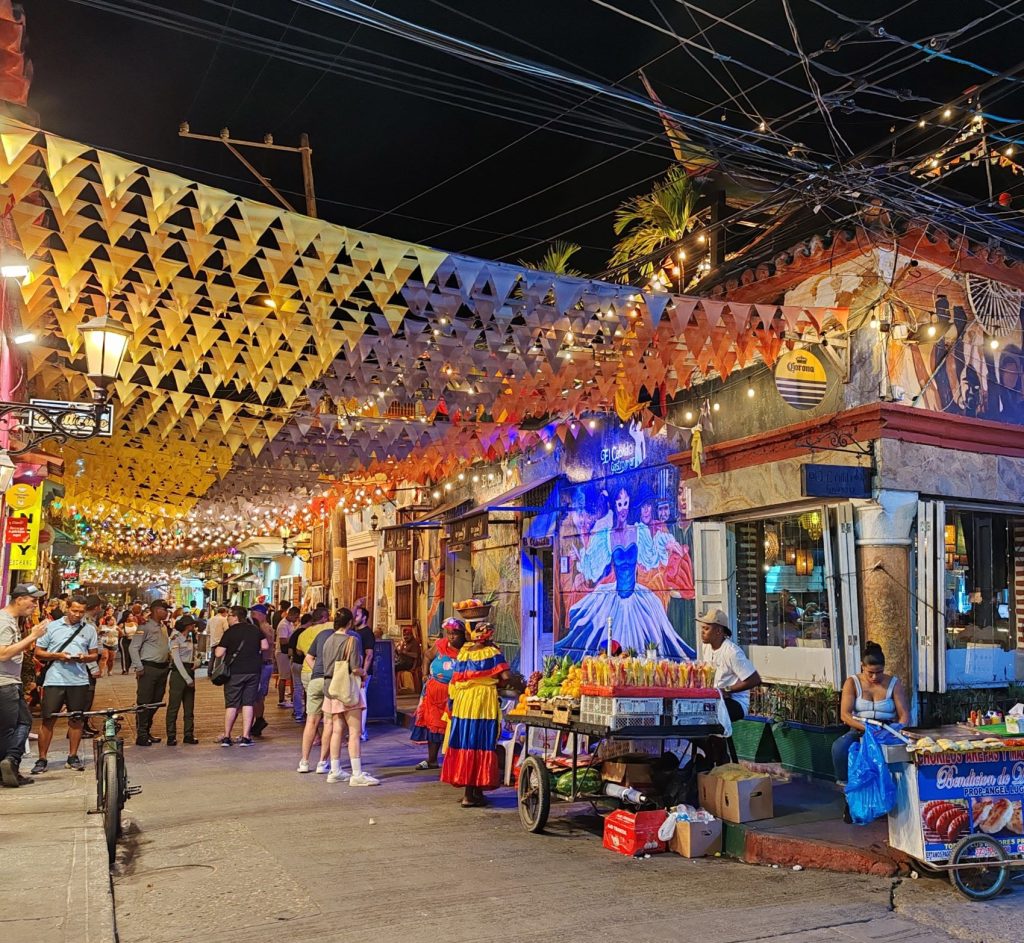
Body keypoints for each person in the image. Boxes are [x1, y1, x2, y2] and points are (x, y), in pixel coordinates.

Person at [556, 484, 695, 660]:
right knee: (609, 645)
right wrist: (579, 559)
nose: (623, 508)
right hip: (615, 600)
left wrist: (665, 544)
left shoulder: (639, 531)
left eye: (626, 503)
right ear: (615, 506)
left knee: (652, 643)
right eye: (620, 504)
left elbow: (651, 557)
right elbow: (593, 567)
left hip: (637, 598)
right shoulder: (607, 535)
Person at [441, 621, 521, 807]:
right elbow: (507, 677)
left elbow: (456, 677)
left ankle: (474, 792)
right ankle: (470, 795)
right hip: (482, 702)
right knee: (480, 743)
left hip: (462, 702)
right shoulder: (492, 652)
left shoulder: (465, 652)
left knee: (465, 743)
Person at [834, 641, 910, 822]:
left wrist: (895, 730)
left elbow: (904, 716)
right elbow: (845, 715)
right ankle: (849, 794)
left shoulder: (894, 683)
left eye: (879, 672)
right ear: (862, 666)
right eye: (870, 673)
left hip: (887, 730)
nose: (875, 677)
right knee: (840, 748)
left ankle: (894, 799)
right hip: (861, 728)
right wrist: (867, 729)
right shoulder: (852, 683)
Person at [31, 596, 98, 774]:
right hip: (55, 679)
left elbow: (94, 654)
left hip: (79, 680)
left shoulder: (89, 629)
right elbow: (39, 653)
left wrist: (84, 658)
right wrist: (58, 656)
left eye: (81, 612)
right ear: (67, 608)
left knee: (76, 720)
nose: (77, 615)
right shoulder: (51, 627)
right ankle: (42, 758)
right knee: (48, 719)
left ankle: (73, 755)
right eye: (74, 610)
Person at [319, 608, 379, 786]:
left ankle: (335, 770)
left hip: (331, 688)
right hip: (347, 689)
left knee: (337, 729)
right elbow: (355, 668)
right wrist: (364, 674)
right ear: (350, 623)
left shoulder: (328, 640)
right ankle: (357, 773)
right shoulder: (351, 640)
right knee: (354, 731)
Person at [0, 584, 46, 787]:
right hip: (5, 684)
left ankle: (9, 765)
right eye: (32, 600)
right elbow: (3, 653)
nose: (35, 605)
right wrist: (32, 637)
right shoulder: (4, 621)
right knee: (17, 725)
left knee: (15, 725)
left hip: (10, 682)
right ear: (19, 599)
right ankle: (10, 762)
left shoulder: (11, 620)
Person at [410, 617, 465, 770]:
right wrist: (425, 674)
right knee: (433, 726)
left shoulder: (467, 650)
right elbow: (427, 656)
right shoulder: (441, 644)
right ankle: (432, 760)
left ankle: (454, 761)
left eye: (455, 633)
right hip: (434, 694)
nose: (451, 637)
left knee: (453, 728)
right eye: (449, 633)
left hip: (455, 695)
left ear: (463, 635)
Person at [214, 606, 269, 747]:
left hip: (234, 672)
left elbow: (218, 653)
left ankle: (227, 736)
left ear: (236, 617)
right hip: (253, 671)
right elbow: (265, 646)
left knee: (232, 704)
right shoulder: (255, 630)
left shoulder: (230, 632)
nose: (228, 619)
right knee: (248, 703)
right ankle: (246, 736)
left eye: (229, 616)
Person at [697, 608, 762, 722]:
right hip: (715, 698)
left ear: (718, 631)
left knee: (706, 715)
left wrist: (727, 690)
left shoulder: (732, 652)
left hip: (736, 702)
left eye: (706, 629)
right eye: (702, 628)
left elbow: (754, 679)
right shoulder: (706, 647)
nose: (702, 632)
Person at [295, 610, 337, 773]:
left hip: (314, 679)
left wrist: (316, 672)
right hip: (329, 681)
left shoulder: (319, 634)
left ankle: (304, 762)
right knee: (328, 722)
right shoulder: (348, 637)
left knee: (311, 721)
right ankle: (322, 763)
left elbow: (307, 656)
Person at [129, 599, 172, 746]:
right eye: (164, 610)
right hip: (148, 668)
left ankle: (147, 731)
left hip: (162, 668)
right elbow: (133, 647)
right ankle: (141, 734)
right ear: (156, 610)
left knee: (156, 701)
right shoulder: (144, 627)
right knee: (144, 701)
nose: (167, 613)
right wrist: (138, 666)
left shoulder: (163, 626)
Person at [166, 614, 200, 746]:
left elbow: (195, 654)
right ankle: (171, 735)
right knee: (174, 706)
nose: (194, 626)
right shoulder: (175, 638)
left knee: (189, 706)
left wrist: (197, 661)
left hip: (189, 669)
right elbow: (177, 660)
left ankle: (188, 734)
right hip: (179, 673)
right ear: (187, 626)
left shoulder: (191, 638)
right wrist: (187, 678)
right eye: (192, 624)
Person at [249, 604, 275, 738]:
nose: (252, 616)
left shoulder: (264, 628)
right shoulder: (264, 627)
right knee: (259, 696)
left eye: (254, 614)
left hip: (264, 664)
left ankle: (258, 720)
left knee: (258, 696)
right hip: (265, 664)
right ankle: (258, 720)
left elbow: (267, 645)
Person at [287, 612, 314, 724]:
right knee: (309, 689)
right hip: (307, 665)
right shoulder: (309, 633)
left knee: (297, 689)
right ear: (310, 622)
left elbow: (289, 652)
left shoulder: (295, 633)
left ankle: (297, 712)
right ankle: (308, 712)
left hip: (295, 664)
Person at [352, 605, 375, 741]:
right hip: (354, 672)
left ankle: (361, 731)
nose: (355, 617)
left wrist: (364, 673)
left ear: (364, 618)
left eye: (357, 615)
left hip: (362, 673)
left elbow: (369, 654)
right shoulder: (354, 632)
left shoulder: (367, 633)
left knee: (362, 701)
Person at [275, 606, 299, 708]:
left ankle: (291, 698)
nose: (296, 619)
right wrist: (293, 637)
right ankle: (281, 700)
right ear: (291, 614)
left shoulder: (290, 624)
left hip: (286, 653)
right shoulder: (283, 625)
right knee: (283, 677)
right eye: (296, 617)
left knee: (288, 676)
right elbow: (283, 641)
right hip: (282, 653)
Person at [118, 603, 142, 673]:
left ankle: (133, 666)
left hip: (133, 640)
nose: (132, 617)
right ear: (127, 617)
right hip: (124, 640)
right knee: (125, 655)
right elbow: (118, 633)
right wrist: (123, 634)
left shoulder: (135, 624)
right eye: (130, 616)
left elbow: (139, 631)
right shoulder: (122, 624)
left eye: (132, 616)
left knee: (133, 654)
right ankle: (125, 669)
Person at [98, 606, 119, 677]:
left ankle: (110, 670)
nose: (111, 612)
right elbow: (100, 627)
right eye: (110, 610)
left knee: (111, 659)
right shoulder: (102, 619)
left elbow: (117, 629)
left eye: (112, 611)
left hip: (113, 642)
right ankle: (101, 671)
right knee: (104, 657)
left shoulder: (114, 620)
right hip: (104, 642)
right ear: (106, 611)